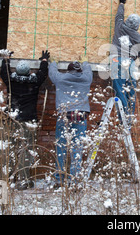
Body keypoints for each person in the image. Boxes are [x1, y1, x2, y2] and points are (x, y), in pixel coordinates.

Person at [0, 50, 49, 190]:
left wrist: (6, 59)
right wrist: (44, 60)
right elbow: (42, 74)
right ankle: (24, 180)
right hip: (29, 120)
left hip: (12, 119)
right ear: (28, 72)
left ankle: (7, 179)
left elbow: (4, 73)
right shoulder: (33, 83)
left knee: (9, 148)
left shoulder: (11, 81)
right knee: (26, 150)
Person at [48, 56, 93, 187]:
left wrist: (54, 62)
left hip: (65, 115)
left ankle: (59, 179)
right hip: (80, 115)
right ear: (80, 71)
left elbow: (52, 72)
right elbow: (88, 69)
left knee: (61, 147)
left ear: (68, 71)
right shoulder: (86, 79)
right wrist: (84, 60)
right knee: (77, 148)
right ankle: (75, 179)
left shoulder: (61, 79)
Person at [111, 0, 140, 126]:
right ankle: (128, 119)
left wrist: (122, 4)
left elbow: (119, 16)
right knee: (130, 91)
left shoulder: (120, 26)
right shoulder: (137, 36)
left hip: (117, 61)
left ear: (127, 21)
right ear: (137, 25)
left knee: (119, 88)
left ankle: (122, 118)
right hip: (130, 63)